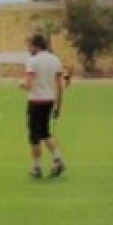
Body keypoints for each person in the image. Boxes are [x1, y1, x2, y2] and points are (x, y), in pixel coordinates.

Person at [21, 33, 66, 180]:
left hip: (36, 101)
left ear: (35, 46)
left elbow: (28, 85)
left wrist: (20, 84)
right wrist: (59, 106)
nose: (28, 48)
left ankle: (37, 167)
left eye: (29, 45)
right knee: (45, 132)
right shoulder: (55, 60)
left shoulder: (32, 61)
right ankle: (57, 159)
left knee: (34, 136)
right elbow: (60, 86)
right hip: (49, 100)